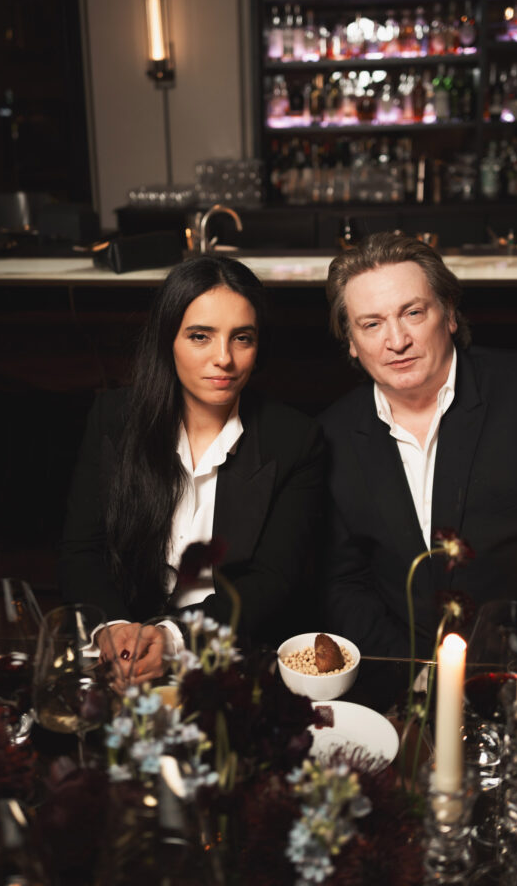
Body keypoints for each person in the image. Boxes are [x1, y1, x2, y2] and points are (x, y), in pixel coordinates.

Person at [320, 232, 517, 664]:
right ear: (352, 343)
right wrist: (415, 676)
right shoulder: (331, 434)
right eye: (371, 324)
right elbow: (344, 583)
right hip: (405, 675)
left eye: (413, 313)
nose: (396, 341)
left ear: (449, 314)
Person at [60, 255, 324, 680]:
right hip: (120, 654)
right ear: (168, 339)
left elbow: (272, 580)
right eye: (200, 336)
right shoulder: (113, 419)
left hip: (228, 659)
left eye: (242, 338)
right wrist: (113, 629)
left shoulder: (295, 439)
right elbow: (82, 551)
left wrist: (173, 639)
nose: (224, 358)